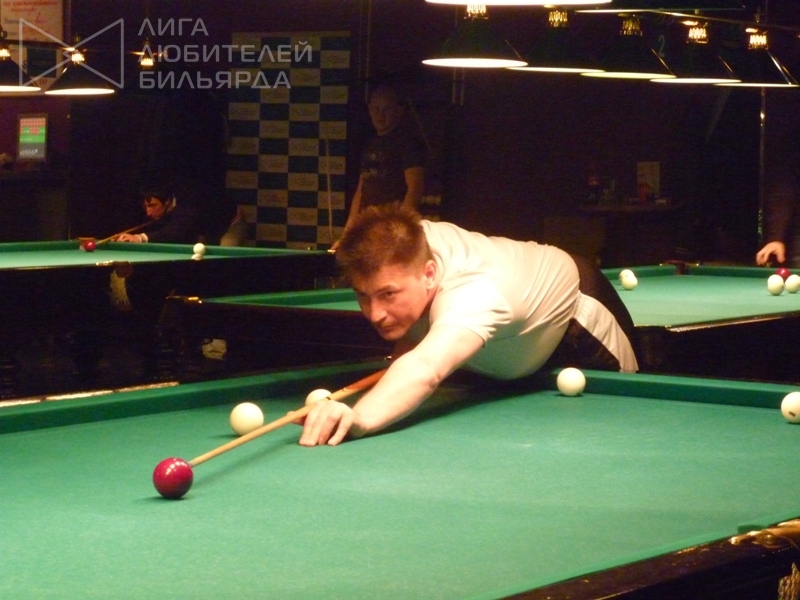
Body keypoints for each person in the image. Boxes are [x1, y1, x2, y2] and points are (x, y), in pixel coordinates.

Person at [298, 204, 639, 447]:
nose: (375, 314)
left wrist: (360, 418)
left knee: (622, 428)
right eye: (363, 295)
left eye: (388, 294)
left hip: (578, 320)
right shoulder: (405, 243)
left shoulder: (476, 293)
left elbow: (427, 367)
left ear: (430, 274)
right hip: (508, 343)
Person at [332, 85, 426, 250]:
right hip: (368, 227)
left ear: (398, 111)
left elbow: (415, 188)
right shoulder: (370, 144)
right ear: (369, 110)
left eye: (386, 109)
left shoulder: (408, 144)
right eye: (376, 109)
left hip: (391, 229)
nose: (380, 115)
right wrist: (347, 235)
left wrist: (400, 228)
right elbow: (361, 190)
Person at [116, 187, 200, 244]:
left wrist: (140, 238)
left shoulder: (186, 210)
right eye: (146, 207)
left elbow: (172, 234)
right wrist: (124, 237)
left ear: (167, 201)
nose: (148, 213)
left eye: (153, 205)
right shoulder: (156, 213)